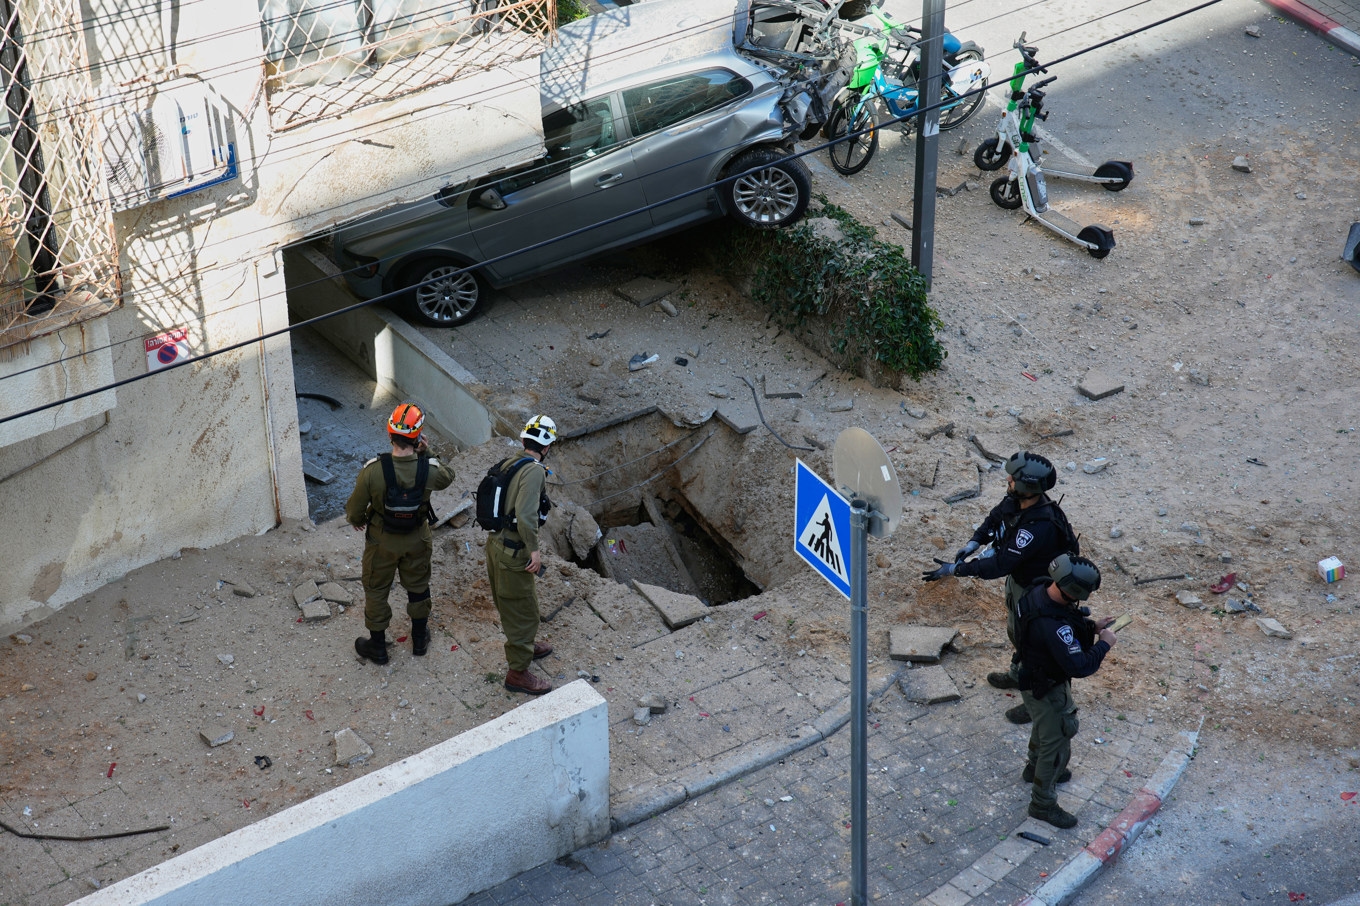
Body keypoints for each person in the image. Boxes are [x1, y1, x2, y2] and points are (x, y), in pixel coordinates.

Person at [921, 451, 1077, 724]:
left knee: (1040, 648)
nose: (1008, 480)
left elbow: (999, 565)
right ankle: (1019, 676)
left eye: (1014, 478)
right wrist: (974, 542)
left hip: (1043, 595)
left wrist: (956, 569)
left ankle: (1038, 701)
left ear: (1027, 486)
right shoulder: (1020, 502)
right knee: (1018, 634)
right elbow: (996, 518)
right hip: (1023, 583)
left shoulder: (1038, 527)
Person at [345, 403, 454, 665]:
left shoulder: (373, 470)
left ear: (389, 433)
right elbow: (449, 476)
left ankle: (378, 648)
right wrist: (430, 452)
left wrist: (358, 521)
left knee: (376, 589)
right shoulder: (429, 469)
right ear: (418, 438)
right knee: (418, 587)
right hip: (417, 537)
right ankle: (419, 640)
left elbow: (354, 510)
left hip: (382, 539)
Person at [1014, 554, 1116, 829]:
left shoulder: (1038, 590)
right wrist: (1104, 643)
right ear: (1075, 591)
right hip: (1049, 687)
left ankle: (1033, 769)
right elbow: (1079, 665)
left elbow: (1060, 621)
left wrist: (1091, 628)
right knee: (1056, 743)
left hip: (1030, 677)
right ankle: (1042, 803)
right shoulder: (1054, 625)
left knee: (1042, 727)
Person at [487, 415, 558, 695]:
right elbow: (526, 517)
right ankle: (518, 673)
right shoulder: (534, 471)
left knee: (516, 604)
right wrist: (535, 551)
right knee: (523, 611)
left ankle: (526, 647)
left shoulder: (512, 462)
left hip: (497, 545)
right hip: (514, 551)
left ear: (523, 440)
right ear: (547, 446)